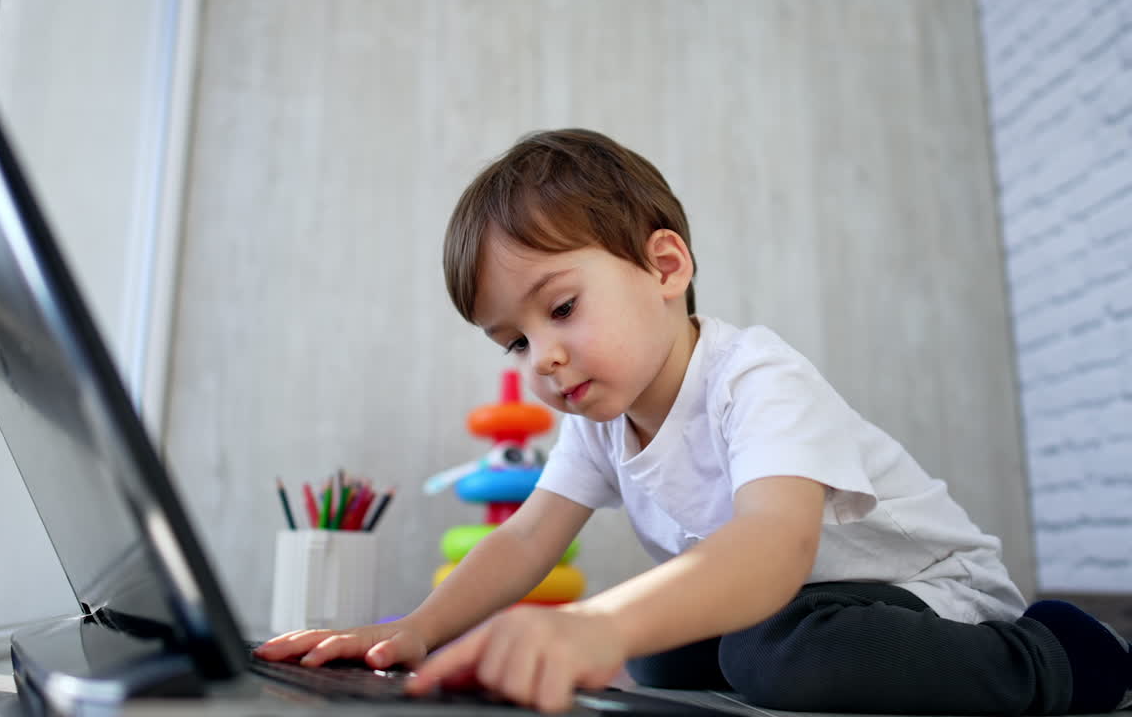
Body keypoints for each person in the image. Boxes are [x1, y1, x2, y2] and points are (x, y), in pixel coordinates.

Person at [254, 129, 1131, 715]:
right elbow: (524, 542)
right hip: (805, 605)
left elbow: (771, 548)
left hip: (937, 601)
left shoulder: (755, 377)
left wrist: (599, 624)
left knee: (765, 652)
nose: (542, 358)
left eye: (560, 307)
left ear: (664, 265)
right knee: (668, 664)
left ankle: (1060, 654)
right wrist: (413, 630)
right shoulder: (600, 419)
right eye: (515, 339)